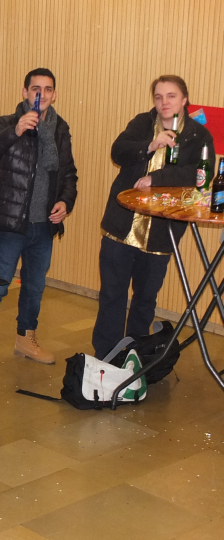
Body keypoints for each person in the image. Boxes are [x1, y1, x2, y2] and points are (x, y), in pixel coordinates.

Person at [92, 75, 215, 358]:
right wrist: (150, 145)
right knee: (111, 295)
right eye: (158, 97)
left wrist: (156, 178)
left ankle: (136, 356)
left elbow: (202, 174)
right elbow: (118, 152)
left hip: (161, 233)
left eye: (171, 96)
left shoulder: (198, 135)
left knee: (145, 300)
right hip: (121, 226)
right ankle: (106, 357)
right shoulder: (142, 123)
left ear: (184, 100)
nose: (164, 102)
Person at [0, 68, 77, 374]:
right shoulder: (6, 123)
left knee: (34, 286)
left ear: (54, 95)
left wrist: (65, 202)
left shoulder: (60, 129)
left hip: (43, 225)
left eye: (47, 89)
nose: (41, 95)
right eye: (35, 89)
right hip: (10, 223)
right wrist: (15, 131)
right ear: (25, 92)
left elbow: (68, 173)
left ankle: (26, 339)